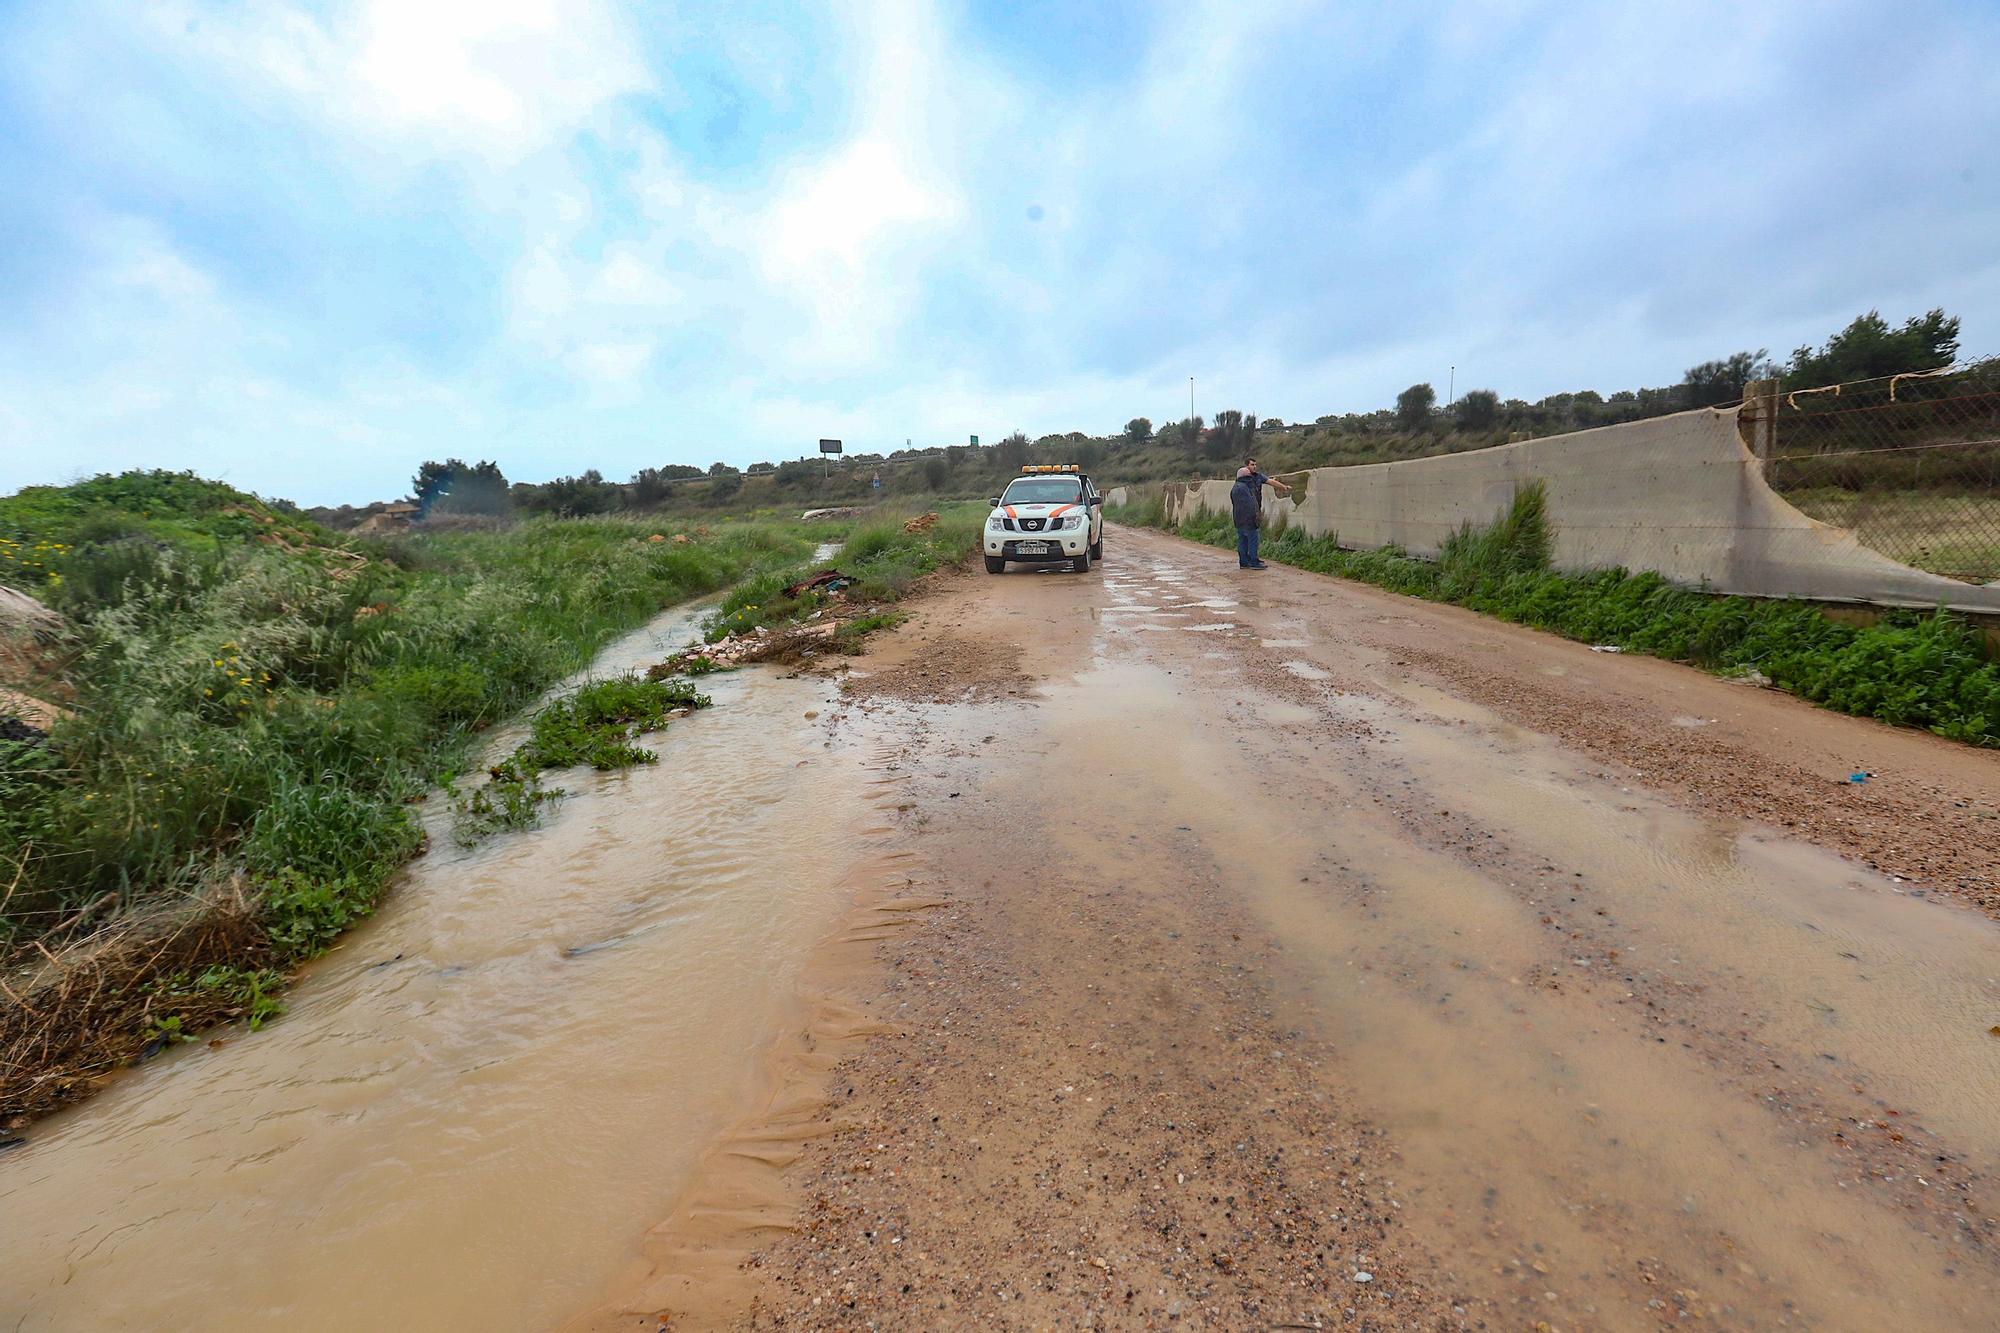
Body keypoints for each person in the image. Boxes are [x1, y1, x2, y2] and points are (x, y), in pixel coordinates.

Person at [1229, 457, 1291, 569]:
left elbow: (1271, 481)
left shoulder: (1236, 486)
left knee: (1242, 539)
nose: (1254, 467)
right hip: (1250, 517)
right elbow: (1251, 503)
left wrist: (1283, 487)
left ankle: (1244, 562)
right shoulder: (1249, 485)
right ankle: (1254, 562)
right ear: (1246, 467)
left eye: (1255, 464)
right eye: (1252, 465)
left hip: (1238, 517)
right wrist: (1256, 516)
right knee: (1253, 538)